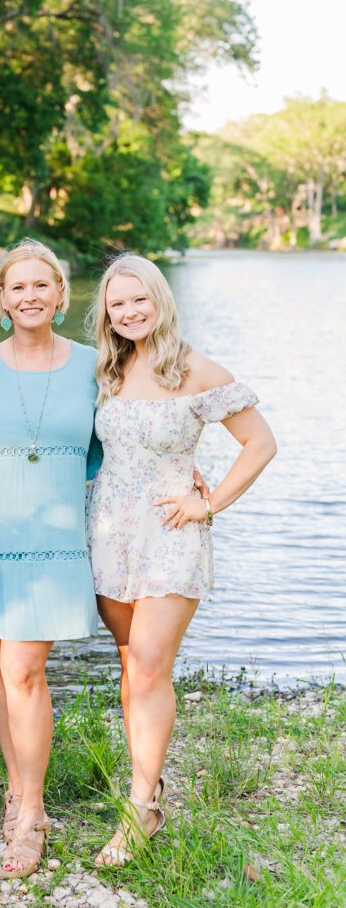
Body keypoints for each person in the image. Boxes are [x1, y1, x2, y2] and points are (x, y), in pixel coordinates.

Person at [85, 253, 277, 866]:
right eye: (118, 303)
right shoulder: (107, 370)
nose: (130, 311)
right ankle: (150, 780)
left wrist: (207, 502)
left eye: (139, 299)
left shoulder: (193, 368)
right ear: (107, 313)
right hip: (111, 533)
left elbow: (260, 442)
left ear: (160, 300)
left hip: (171, 530)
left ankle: (140, 807)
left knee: (147, 665)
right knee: (131, 666)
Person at [0, 239, 99, 880]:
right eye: (18, 287)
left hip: (55, 533)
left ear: (61, 296)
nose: (31, 296)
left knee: (24, 667)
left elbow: (121, 440)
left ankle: (31, 813)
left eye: (43, 285)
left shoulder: (98, 365)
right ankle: (16, 790)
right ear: (2, 300)